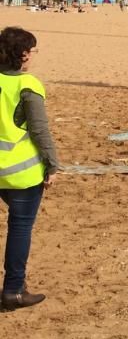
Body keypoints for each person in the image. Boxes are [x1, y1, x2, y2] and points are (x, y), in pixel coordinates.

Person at [0, 27, 59, 310]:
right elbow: (39, 130)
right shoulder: (28, 85)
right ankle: (14, 289)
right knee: (20, 228)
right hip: (22, 173)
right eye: (33, 50)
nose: (34, 56)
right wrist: (52, 165)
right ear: (23, 55)